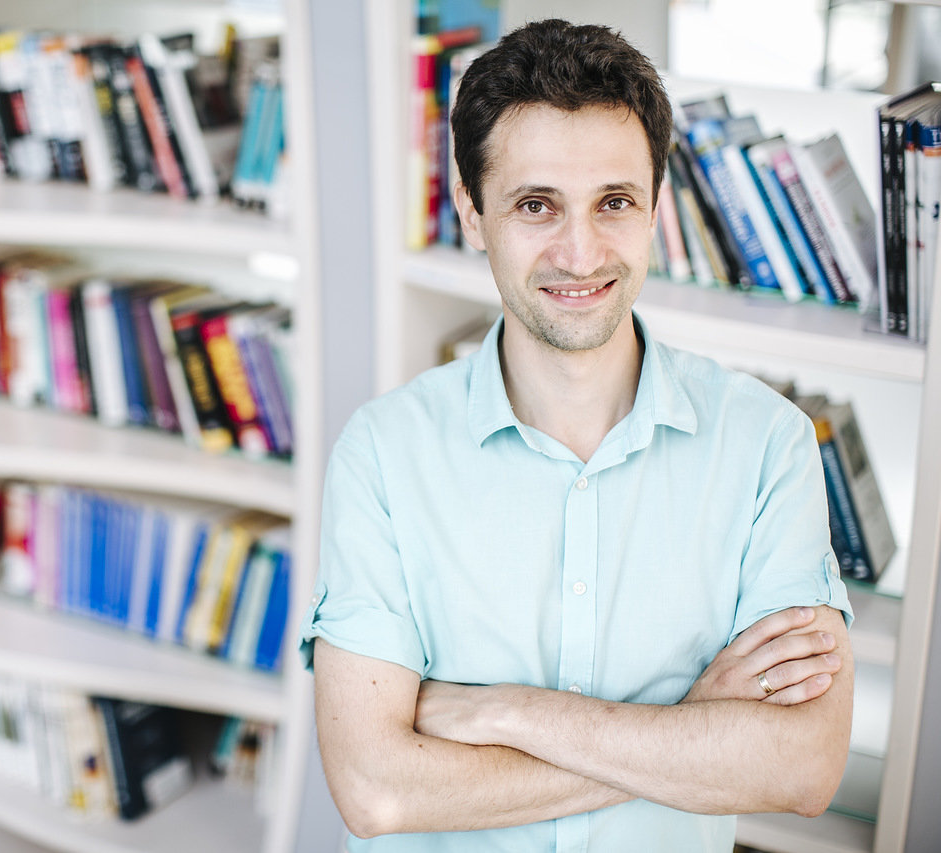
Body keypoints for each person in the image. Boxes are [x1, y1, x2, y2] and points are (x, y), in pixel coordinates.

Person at [298, 18, 854, 853]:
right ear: (472, 213)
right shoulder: (382, 453)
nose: (581, 252)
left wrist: (508, 713)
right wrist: (692, 730)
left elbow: (803, 765)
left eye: (614, 203)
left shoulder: (768, 446)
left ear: (656, 209)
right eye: (536, 205)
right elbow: (375, 790)